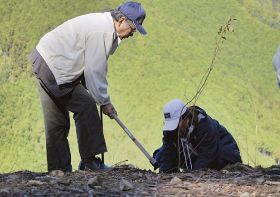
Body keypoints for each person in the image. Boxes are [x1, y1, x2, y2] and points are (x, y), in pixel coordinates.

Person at [28, 1, 147, 172]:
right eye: (133, 28)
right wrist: (104, 102)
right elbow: (94, 71)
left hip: (43, 59)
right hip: (55, 66)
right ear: (121, 20)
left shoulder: (104, 25)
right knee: (86, 105)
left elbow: (86, 64)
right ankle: (90, 162)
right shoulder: (103, 31)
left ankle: (58, 170)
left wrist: (99, 95)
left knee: (56, 122)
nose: (132, 33)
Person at [153, 99, 242, 173]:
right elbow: (167, 151)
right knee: (160, 154)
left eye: (176, 124)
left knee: (222, 157)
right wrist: (165, 174)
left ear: (186, 118)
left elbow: (207, 155)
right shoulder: (171, 130)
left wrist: (192, 175)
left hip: (222, 152)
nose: (174, 128)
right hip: (195, 151)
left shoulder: (204, 124)